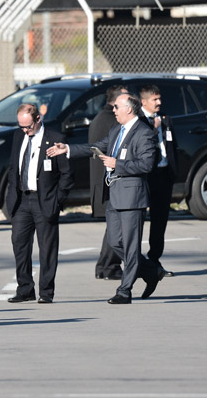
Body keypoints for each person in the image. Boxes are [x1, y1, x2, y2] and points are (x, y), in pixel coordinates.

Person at [47, 94, 164, 304]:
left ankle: (125, 291)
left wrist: (117, 164)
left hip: (131, 197)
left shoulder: (144, 133)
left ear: (129, 109)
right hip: (114, 195)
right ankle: (150, 271)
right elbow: (97, 146)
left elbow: (146, 165)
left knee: (130, 246)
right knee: (114, 241)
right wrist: (68, 149)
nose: (114, 110)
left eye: (117, 107)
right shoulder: (117, 130)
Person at [4, 104, 73, 304]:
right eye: (21, 127)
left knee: (47, 248)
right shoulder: (19, 137)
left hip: (45, 200)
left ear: (38, 120)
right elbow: (13, 167)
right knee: (19, 243)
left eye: (28, 126)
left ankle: (46, 291)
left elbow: (67, 174)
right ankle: (25, 288)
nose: (25, 131)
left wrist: (57, 199)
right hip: (22, 199)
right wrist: (12, 193)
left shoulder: (56, 139)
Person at [138, 84, 178, 277]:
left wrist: (173, 171)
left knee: (160, 221)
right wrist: (153, 132)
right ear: (144, 102)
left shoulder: (165, 119)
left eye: (160, 99)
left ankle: (154, 260)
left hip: (163, 176)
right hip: (146, 176)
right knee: (137, 220)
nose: (159, 102)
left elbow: (173, 146)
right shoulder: (138, 121)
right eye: (155, 99)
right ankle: (135, 263)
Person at [91, 85, 128, 281]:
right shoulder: (111, 121)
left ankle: (105, 266)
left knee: (113, 228)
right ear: (116, 102)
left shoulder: (102, 118)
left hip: (104, 183)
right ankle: (110, 266)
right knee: (116, 228)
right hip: (110, 184)